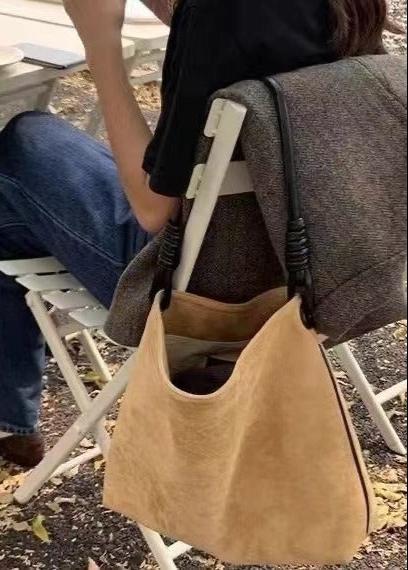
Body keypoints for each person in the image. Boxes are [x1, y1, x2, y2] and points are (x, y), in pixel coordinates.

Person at [0, 0, 400, 467]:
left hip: (198, 288)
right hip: (317, 258)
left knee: (24, 142)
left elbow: (152, 210)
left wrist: (100, 42)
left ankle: (11, 420)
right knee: (25, 180)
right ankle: (9, 420)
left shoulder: (215, 14)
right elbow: (253, 41)